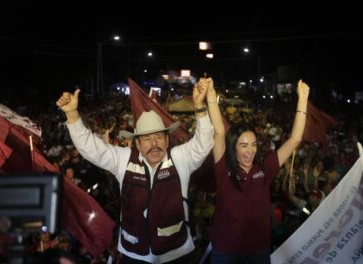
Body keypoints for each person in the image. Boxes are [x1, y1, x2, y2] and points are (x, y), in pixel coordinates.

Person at [56, 79, 214, 263]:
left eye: (158, 137)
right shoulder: (123, 159)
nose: (154, 144)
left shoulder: (180, 159)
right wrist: (73, 116)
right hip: (134, 254)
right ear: (137, 143)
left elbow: (204, 143)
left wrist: (200, 108)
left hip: (176, 253)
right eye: (147, 138)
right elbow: (91, 149)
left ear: (167, 140)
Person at [207, 78, 310, 263]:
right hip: (226, 252)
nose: (250, 150)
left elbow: (295, 139)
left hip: (258, 252)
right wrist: (211, 97)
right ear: (233, 147)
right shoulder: (223, 168)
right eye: (244, 145)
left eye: (253, 144)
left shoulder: (265, 167)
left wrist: (302, 99)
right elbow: (219, 131)